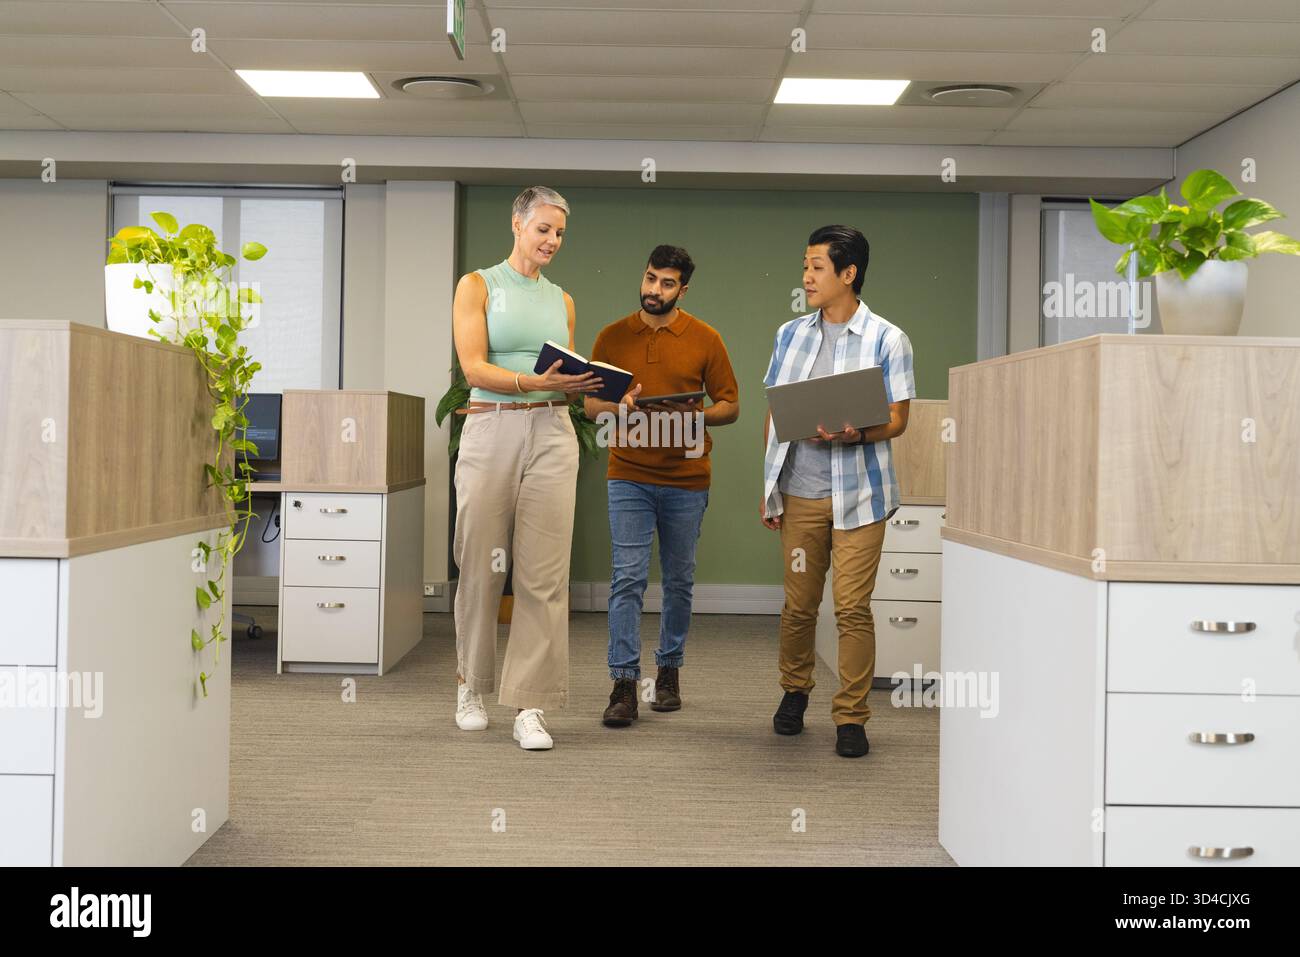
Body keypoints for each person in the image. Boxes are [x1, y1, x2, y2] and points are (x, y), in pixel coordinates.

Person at [450, 186, 602, 751]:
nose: (552, 241)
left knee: (544, 575)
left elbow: (564, 371)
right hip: (492, 427)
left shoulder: (562, 300)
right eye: (543, 229)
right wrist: (531, 381)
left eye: (559, 233)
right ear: (517, 225)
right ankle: (471, 684)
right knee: (481, 564)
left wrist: (591, 386)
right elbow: (473, 366)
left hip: (554, 432)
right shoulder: (477, 285)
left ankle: (529, 704)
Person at [759, 225, 915, 758]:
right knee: (799, 606)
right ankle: (794, 692)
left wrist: (857, 433)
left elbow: (897, 420)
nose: (806, 276)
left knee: (852, 608)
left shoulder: (887, 339)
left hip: (861, 497)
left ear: (849, 274)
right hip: (801, 491)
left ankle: (851, 716)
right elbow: (777, 412)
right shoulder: (790, 334)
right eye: (805, 265)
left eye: (817, 267)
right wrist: (770, 485)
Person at [584, 246, 739, 728]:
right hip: (628, 472)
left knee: (678, 580)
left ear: (683, 289)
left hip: (687, 477)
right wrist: (619, 408)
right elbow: (590, 408)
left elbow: (731, 405)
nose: (654, 290)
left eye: (667, 283)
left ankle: (668, 673)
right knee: (627, 578)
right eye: (650, 278)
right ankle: (623, 684)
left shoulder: (706, 338)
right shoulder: (611, 336)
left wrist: (695, 413)